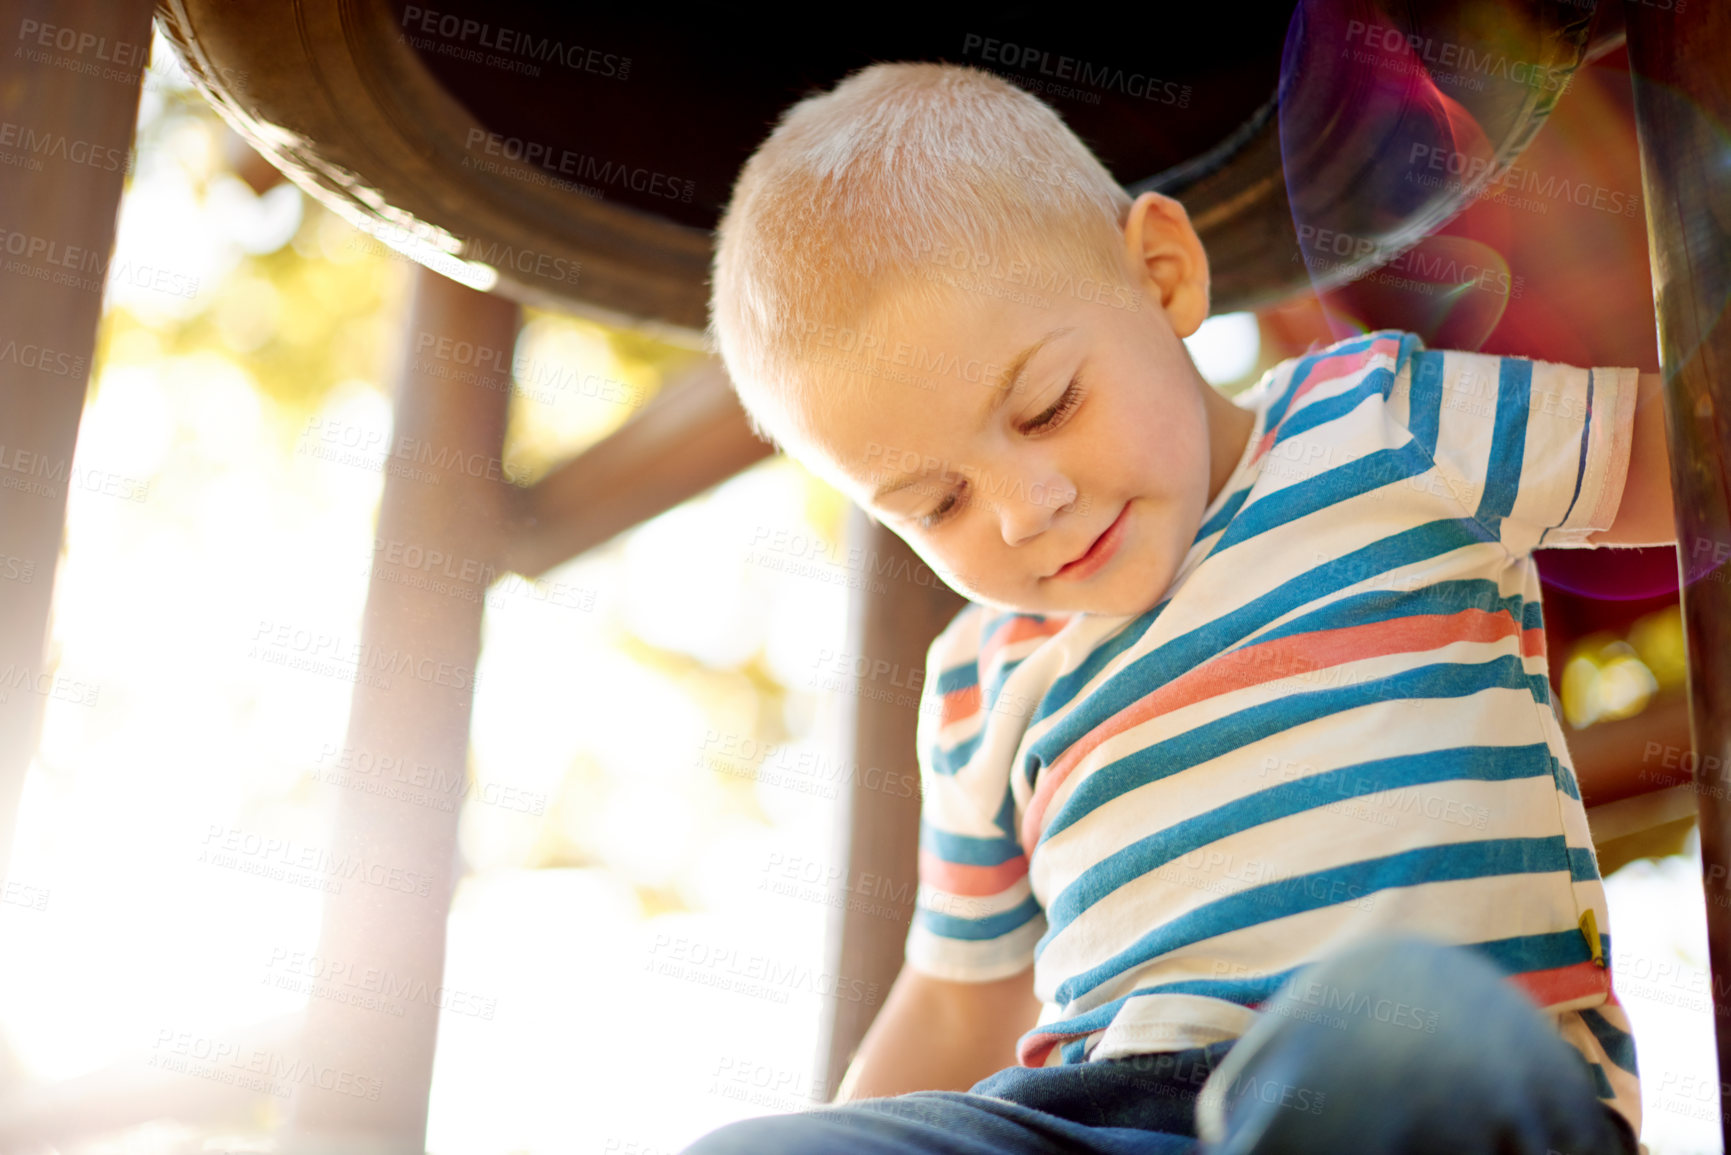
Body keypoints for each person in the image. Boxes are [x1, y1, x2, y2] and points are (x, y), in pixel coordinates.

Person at [687, 60, 1673, 1154]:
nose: (1025, 510)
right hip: (1110, 1119)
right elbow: (960, 998)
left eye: (1047, 405)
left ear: (1162, 277)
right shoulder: (982, 677)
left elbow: (1691, 462)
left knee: (1389, 1024)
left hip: (1412, 1075)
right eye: (938, 501)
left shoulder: (1384, 426)